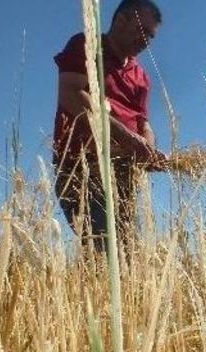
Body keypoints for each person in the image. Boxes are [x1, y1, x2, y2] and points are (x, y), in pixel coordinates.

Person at [52, 0, 167, 250]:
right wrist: (125, 138)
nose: (146, 40)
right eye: (141, 29)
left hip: (122, 172)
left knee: (126, 254)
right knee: (104, 248)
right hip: (82, 167)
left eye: (151, 35)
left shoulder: (141, 77)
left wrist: (146, 147)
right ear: (121, 20)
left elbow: (143, 122)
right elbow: (70, 93)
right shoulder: (87, 45)